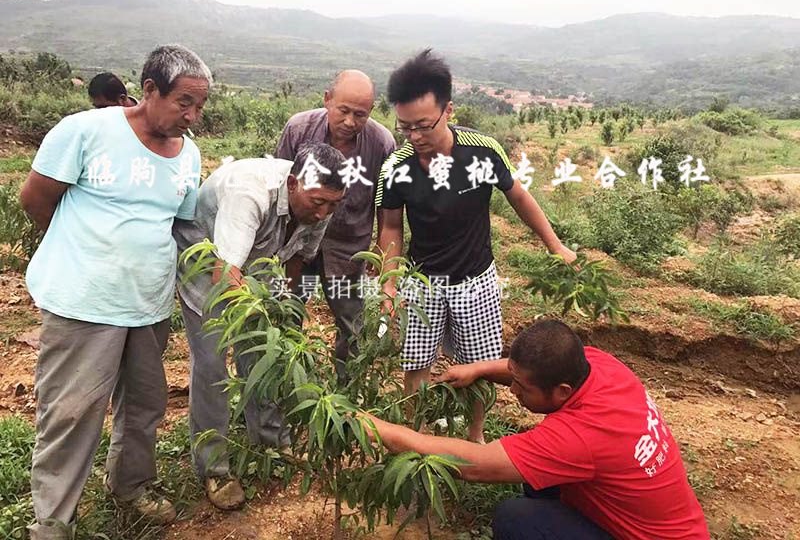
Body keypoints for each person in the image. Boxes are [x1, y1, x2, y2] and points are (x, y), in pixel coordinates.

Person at [20, 44, 210, 539]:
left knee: (144, 404)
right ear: (149, 90)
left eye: (200, 105)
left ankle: (131, 485)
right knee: (71, 410)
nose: (193, 116)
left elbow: (180, 222)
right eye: (184, 102)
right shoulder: (85, 131)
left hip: (147, 304)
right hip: (83, 301)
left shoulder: (187, 154)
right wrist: (83, 255)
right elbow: (36, 199)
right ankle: (54, 520)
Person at [375, 49, 576, 442]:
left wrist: (555, 245)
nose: (415, 137)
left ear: (449, 110)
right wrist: (389, 279)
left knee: (480, 364)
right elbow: (391, 227)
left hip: (477, 280)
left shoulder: (482, 152)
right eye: (405, 128)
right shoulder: (395, 168)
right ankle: (417, 434)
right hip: (422, 282)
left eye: (423, 126)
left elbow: (518, 196)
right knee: (416, 364)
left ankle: (475, 435)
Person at [365, 319, 710, 540]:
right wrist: (479, 369)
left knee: (518, 519)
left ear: (561, 391)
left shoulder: (580, 436)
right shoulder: (599, 367)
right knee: (534, 473)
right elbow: (530, 370)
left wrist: (379, 428)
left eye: (521, 387)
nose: (513, 392)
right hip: (673, 526)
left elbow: (474, 466)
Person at [173, 144, 346, 510]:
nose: (324, 212)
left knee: (266, 358)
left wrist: (281, 309)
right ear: (295, 183)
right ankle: (214, 467)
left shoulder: (321, 202)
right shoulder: (249, 192)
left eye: (333, 204)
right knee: (213, 364)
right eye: (318, 202)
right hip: (209, 266)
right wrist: (260, 320)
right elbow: (225, 272)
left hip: (258, 266)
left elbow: (297, 258)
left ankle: (270, 439)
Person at [276, 70, 395, 382]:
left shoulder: (381, 143)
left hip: (348, 249)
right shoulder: (298, 128)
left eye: (361, 114)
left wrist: (382, 247)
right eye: (343, 111)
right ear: (327, 100)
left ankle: (347, 390)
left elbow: (386, 202)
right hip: (297, 242)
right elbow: (278, 183)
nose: (350, 121)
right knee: (286, 312)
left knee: (352, 324)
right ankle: (286, 382)